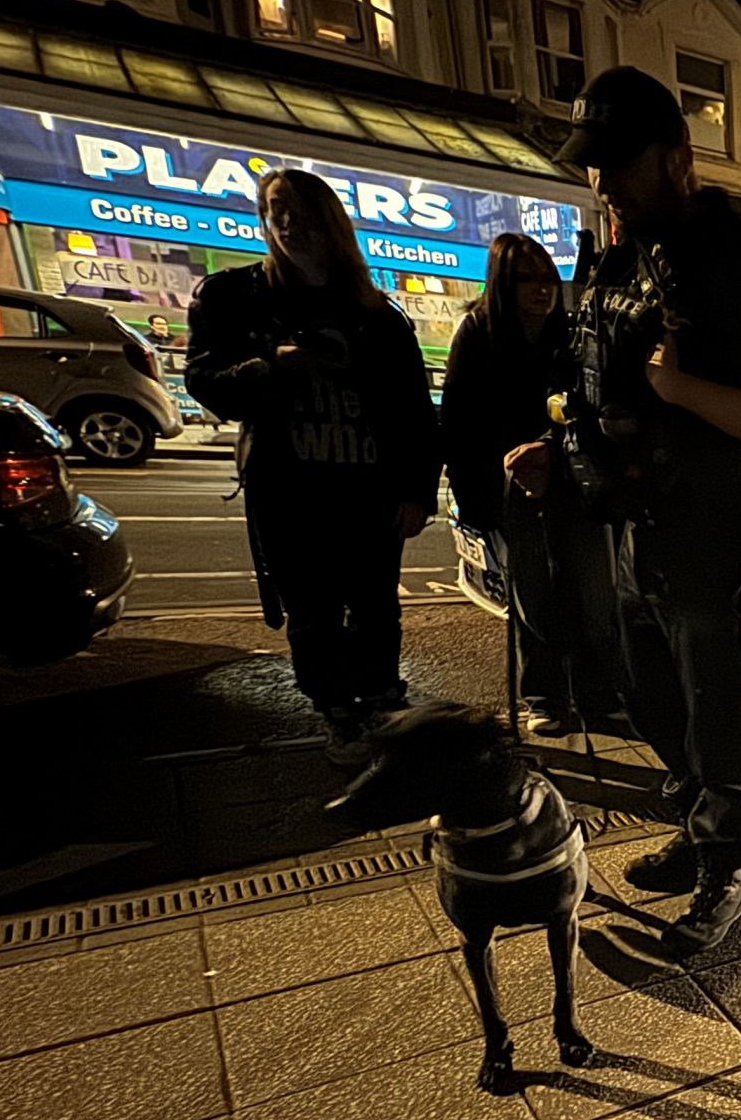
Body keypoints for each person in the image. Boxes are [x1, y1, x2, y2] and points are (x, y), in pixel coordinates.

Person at [529, 66, 741, 946]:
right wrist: (555, 448)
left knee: (720, 707)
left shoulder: (736, 263)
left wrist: (678, 386)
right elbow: (591, 381)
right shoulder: (622, 254)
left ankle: (725, 866)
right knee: (652, 698)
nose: (603, 182)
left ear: (677, 159)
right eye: (594, 166)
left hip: (710, 532)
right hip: (624, 528)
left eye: (620, 164)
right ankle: (696, 832)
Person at [187, 169, 438, 762]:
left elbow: (413, 410)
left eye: (302, 209)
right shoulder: (235, 298)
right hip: (291, 492)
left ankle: (381, 698)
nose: (289, 221)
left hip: (367, 488)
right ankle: (338, 712)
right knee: (312, 611)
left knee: (377, 604)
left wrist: (417, 491)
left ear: (332, 221)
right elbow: (205, 381)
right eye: (277, 209)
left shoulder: (377, 314)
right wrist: (267, 369)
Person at [441, 233, 621, 738]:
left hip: (571, 480)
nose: (542, 290)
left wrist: (551, 443)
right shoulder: (478, 333)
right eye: (527, 279)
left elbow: (584, 404)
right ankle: (545, 696)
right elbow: (458, 421)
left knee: (591, 592)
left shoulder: (567, 335)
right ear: (503, 282)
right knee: (532, 597)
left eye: (548, 278)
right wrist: (475, 499)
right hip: (509, 487)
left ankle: (597, 692)